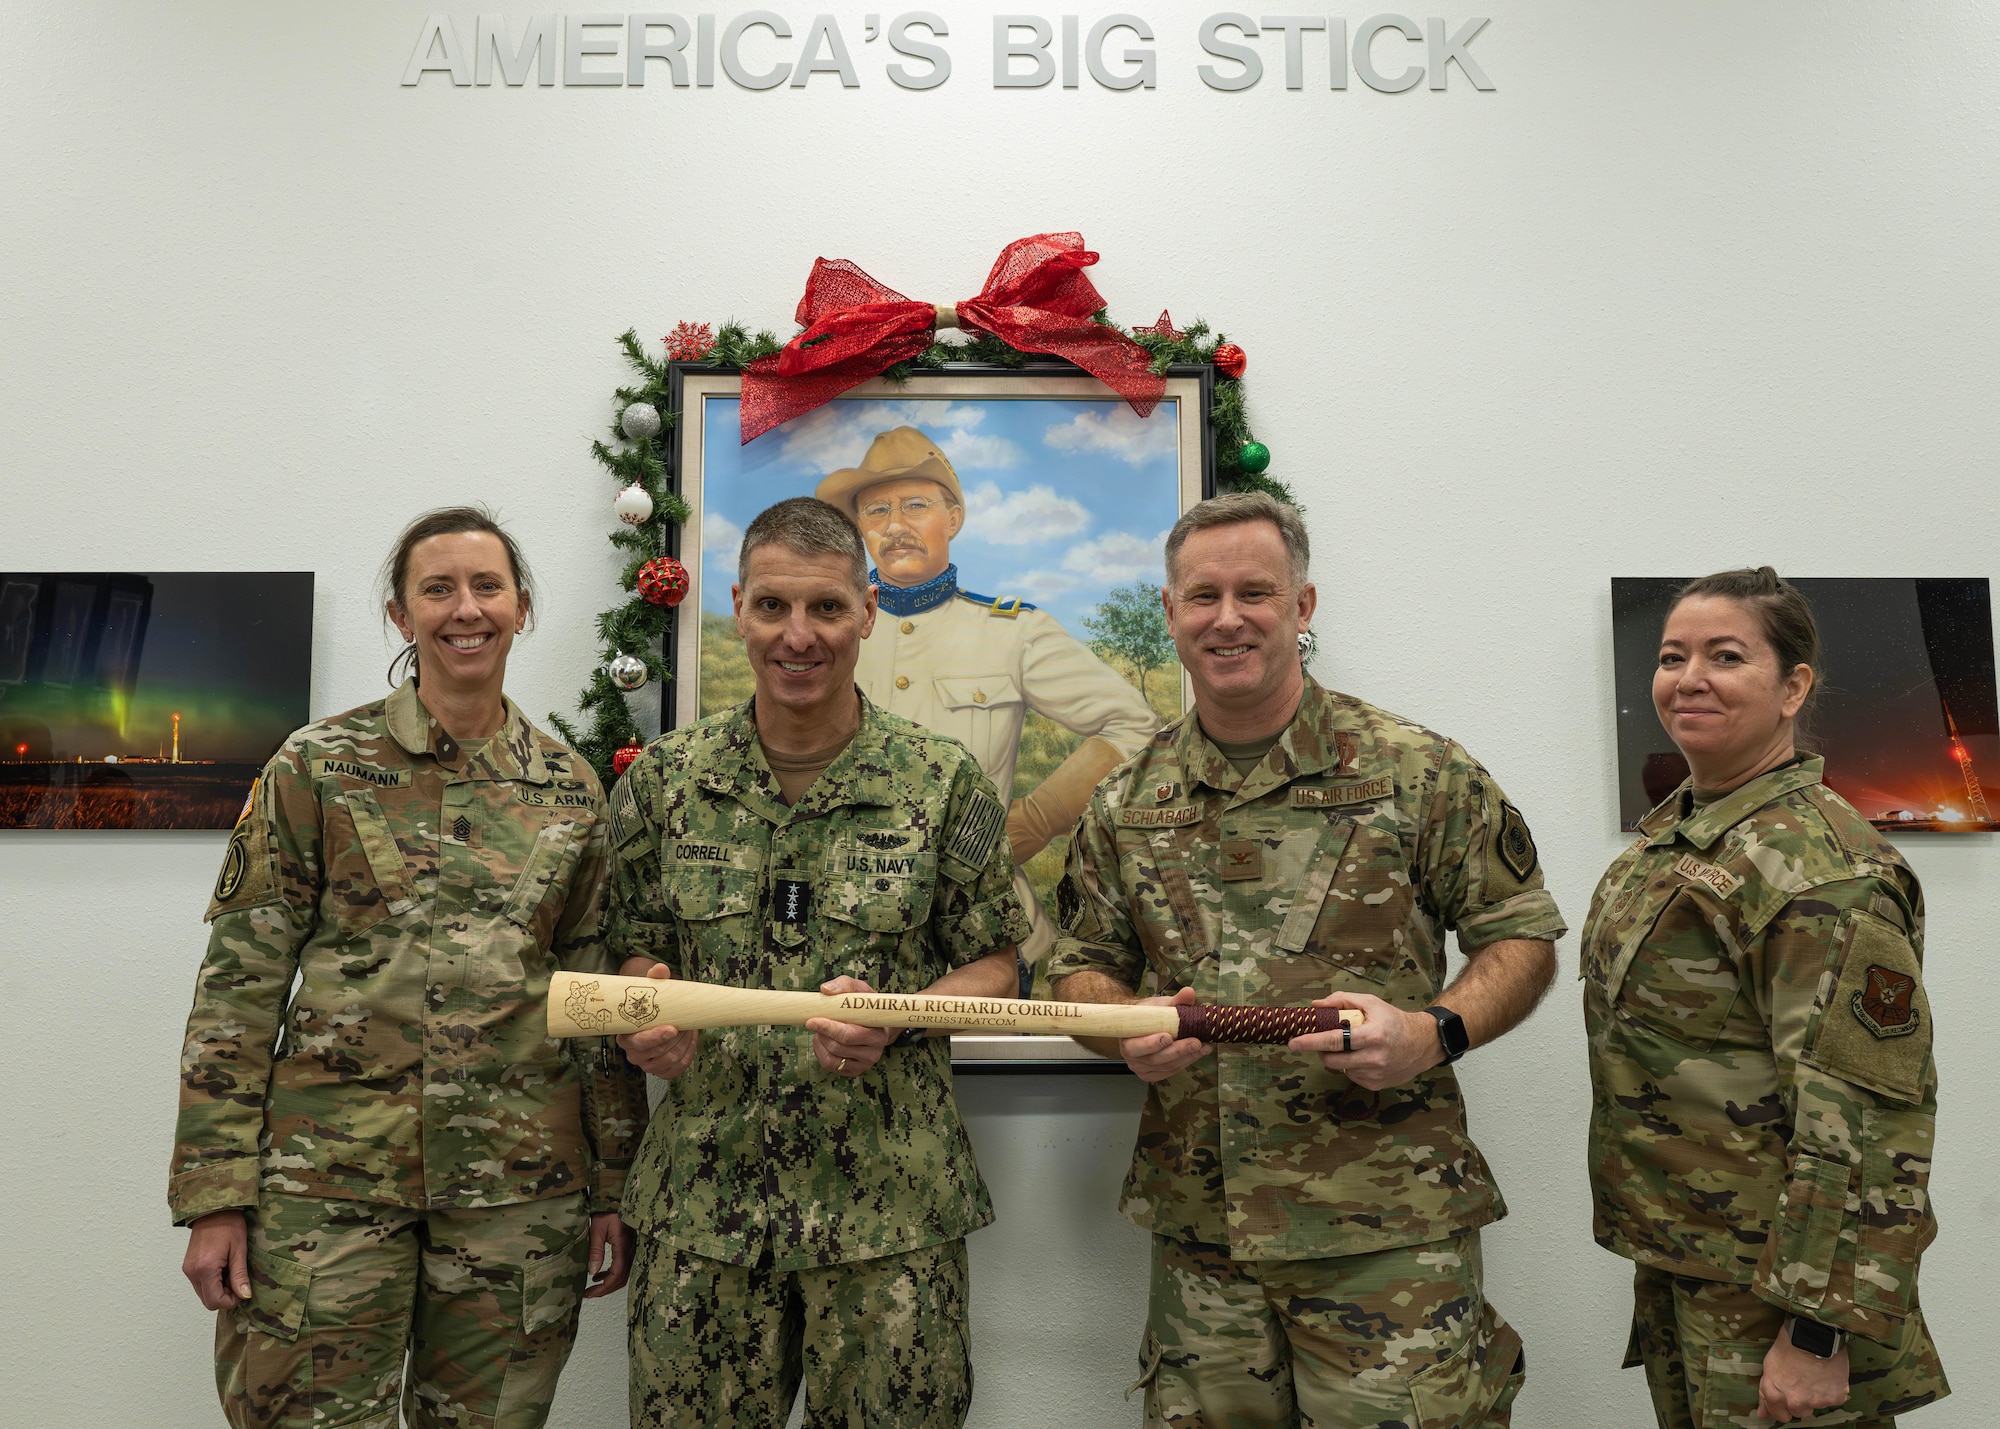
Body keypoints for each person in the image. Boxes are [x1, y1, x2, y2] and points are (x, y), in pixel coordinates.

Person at [1049, 491, 1563, 1428]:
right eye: (1202, 595)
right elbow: (1081, 964)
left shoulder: (1417, 770)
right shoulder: (1126, 797)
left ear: (1303, 606)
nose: (1228, 617)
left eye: (1257, 591)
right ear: (1170, 613)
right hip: (1203, 1236)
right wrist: (1121, 1031)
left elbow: (1519, 933)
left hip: (1387, 1227)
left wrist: (1432, 1031)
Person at [170, 506, 647, 1429]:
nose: (463, 609)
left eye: (486, 586)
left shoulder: (571, 787)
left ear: (521, 609)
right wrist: (215, 1195)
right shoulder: (318, 767)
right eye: (438, 588)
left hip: (516, 1201)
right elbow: (237, 988)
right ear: (401, 614)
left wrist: (611, 1187)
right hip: (328, 1191)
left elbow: (596, 1004)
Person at [610, 496, 1031, 1426]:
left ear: (868, 610)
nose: (798, 636)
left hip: (891, 1220)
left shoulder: (939, 779)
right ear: (736, 607)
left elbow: (999, 964)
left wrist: (903, 1011)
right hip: (704, 1214)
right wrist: (650, 1008)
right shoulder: (666, 781)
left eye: (827, 609)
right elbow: (628, 944)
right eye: (772, 607)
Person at [1584, 567, 1948, 1427]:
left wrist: (1818, 1332)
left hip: (1777, 1297)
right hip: (1691, 1265)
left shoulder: (1819, 867)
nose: (1689, 678)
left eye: (1726, 655)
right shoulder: (1676, 838)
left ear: (1793, 688)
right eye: (1673, 656)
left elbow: (1866, 1118)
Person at [815, 424, 1160, 990]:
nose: (895, 526)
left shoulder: (1011, 633)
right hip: (841, 943)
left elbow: (1138, 729)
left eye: (915, 505)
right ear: (859, 531)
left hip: (991, 943)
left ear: (953, 519)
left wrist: (1036, 820)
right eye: (875, 512)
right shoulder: (824, 634)